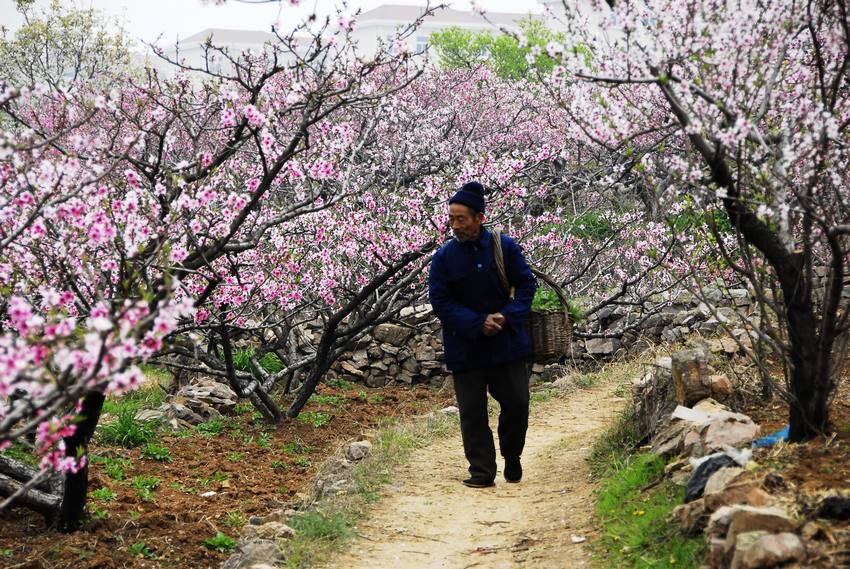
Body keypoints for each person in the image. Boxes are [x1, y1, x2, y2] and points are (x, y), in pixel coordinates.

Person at [428, 181, 537, 488]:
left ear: (479, 217)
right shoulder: (444, 258)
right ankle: (481, 471)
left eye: (461, 218)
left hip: (506, 343)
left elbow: (526, 286)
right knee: (473, 413)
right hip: (466, 346)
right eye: (451, 218)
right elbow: (441, 302)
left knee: (517, 403)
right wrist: (477, 323)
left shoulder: (505, 247)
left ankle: (512, 455)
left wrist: (506, 316)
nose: (455, 225)